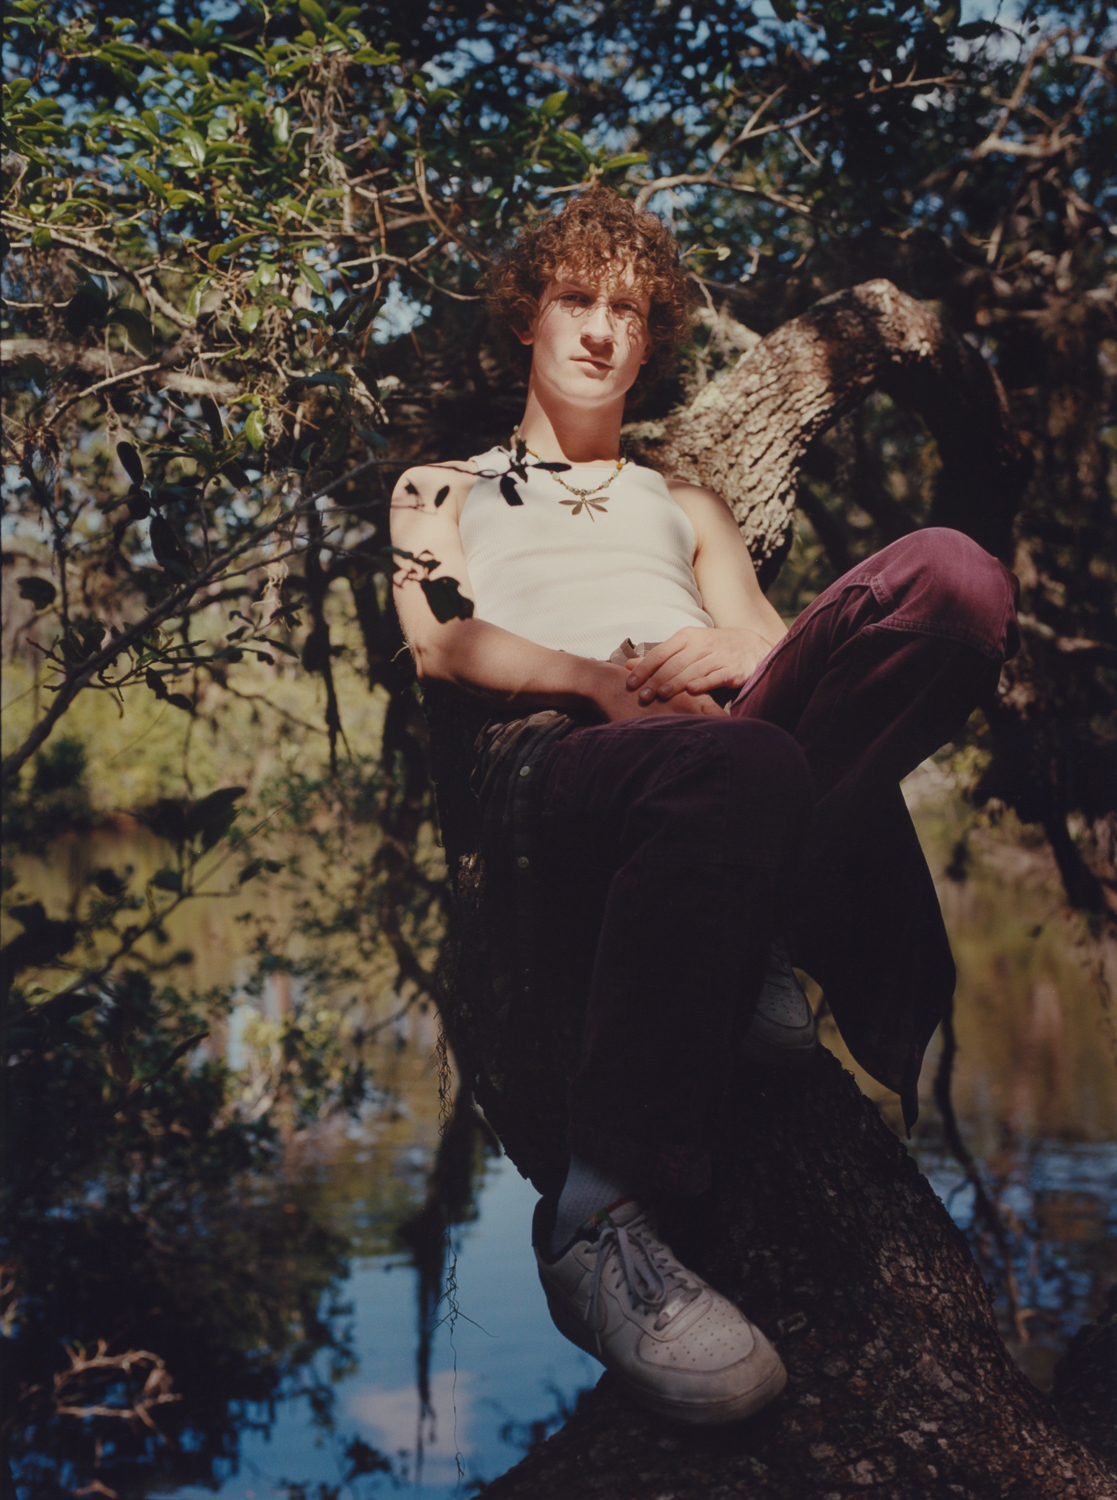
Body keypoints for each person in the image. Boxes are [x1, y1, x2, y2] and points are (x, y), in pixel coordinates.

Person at [389, 186, 1019, 1427]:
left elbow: (781, 648)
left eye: (627, 309)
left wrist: (730, 657)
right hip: (560, 750)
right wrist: (593, 681)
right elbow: (438, 647)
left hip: (730, 743)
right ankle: (595, 1221)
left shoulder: (687, 500)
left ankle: (751, 914)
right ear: (529, 316)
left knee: (954, 576)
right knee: (728, 770)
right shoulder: (439, 486)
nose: (600, 330)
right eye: (576, 299)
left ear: (651, 335)